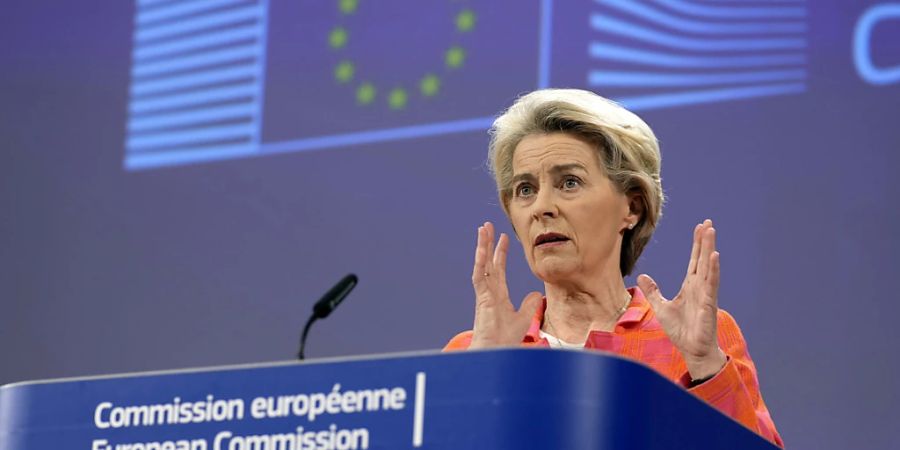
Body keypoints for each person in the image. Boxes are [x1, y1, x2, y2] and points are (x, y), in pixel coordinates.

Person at [443, 89, 783, 447]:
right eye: (525, 189)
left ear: (632, 208)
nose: (541, 207)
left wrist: (705, 367)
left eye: (569, 182)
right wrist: (478, 381)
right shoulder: (474, 352)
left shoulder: (690, 342)